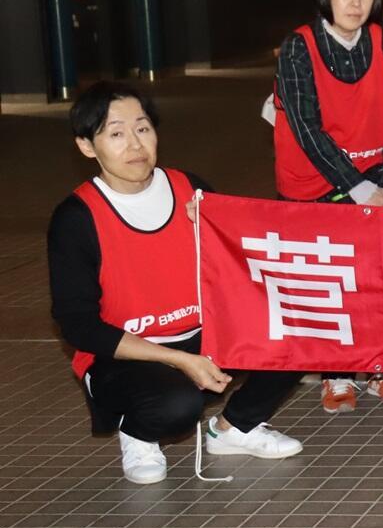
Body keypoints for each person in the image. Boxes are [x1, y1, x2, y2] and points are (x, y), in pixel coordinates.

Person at [49, 84, 306, 484]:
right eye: (116, 134)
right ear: (86, 146)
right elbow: (77, 325)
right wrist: (179, 360)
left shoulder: (190, 188)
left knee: (304, 328)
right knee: (177, 406)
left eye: (143, 128)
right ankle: (138, 432)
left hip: (203, 335)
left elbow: (244, 266)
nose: (135, 145)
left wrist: (220, 232)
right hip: (125, 356)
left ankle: (235, 427)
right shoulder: (76, 218)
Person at [272, 0, 383, 412]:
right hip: (316, 182)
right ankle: (336, 370)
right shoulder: (298, 47)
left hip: (375, 177)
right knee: (330, 277)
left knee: (376, 274)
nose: (355, 1)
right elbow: (306, 128)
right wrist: (358, 189)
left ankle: (379, 364)